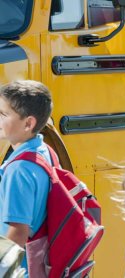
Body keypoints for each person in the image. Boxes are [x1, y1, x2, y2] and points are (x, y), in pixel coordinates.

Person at [0, 80, 53, 274]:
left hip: (20, 270)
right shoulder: (43, 151)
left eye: (3, 114)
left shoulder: (19, 169)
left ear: (28, 123)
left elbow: (18, 232)